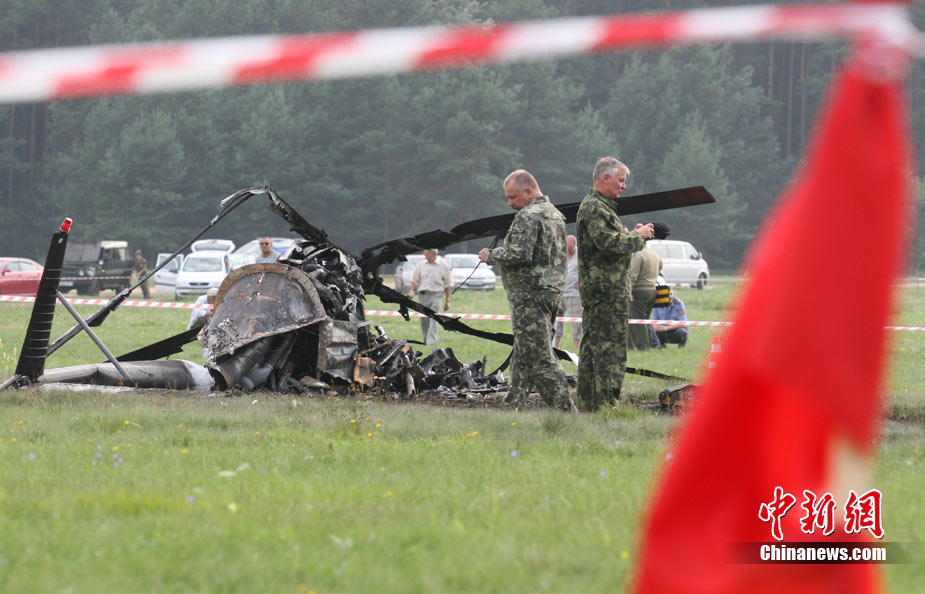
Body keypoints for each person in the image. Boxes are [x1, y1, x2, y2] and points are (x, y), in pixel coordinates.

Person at [479, 169, 573, 411]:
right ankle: (514, 404)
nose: (510, 203)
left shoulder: (528, 216)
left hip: (529, 295)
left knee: (540, 356)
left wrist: (490, 255)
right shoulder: (555, 214)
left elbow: (520, 253)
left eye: (513, 197)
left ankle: (565, 410)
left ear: (528, 191)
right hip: (550, 292)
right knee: (523, 352)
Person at [576, 157, 654, 410]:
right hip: (607, 293)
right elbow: (608, 244)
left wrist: (632, 234)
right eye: (620, 180)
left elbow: (610, 241)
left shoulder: (599, 206)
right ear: (605, 178)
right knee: (610, 351)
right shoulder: (595, 207)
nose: (624, 186)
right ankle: (607, 405)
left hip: (603, 291)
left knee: (593, 350)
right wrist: (637, 236)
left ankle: (589, 405)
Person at [407, 249, 452, 345]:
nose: (423, 253)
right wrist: (411, 290)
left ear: (432, 253)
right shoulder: (421, 265)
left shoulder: (443, 265)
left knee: (433, 318)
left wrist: (448, 300)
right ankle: (426, 340)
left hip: (436, 295)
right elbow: (414, 279)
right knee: (424, 319)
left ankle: (431, 341)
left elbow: (448, 284)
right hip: (423, 295)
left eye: (425, 252)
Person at [627, 244, 662, 350]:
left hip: (639, 291)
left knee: (638, 321)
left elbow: (633, 276)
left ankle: (643, 347)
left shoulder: (638, 255)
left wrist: (628, 293)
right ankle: (649, 345)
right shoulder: (654, 253)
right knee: (646, 320)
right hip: (652, 290)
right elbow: (660, 266)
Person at [553, 235, 582, 350]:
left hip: (574, 294)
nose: (568, 252)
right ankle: (556, 347)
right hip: (559, 293)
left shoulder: (580, 254)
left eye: (570, 249)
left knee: (577, 323)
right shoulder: (560, 254)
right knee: (556, 321)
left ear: (575, 245)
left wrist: (582, 282)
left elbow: (587, 269)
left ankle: (577, 349)